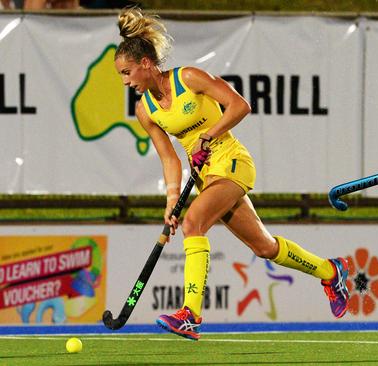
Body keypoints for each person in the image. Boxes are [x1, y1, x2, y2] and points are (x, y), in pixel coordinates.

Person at [113, 7, 350, 341]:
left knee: (194, 222)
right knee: (265, 247)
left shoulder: (188, 79)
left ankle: (190, 315)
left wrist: (209, 135)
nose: (126, 81)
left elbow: (240, 105)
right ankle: (330, 271)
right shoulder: (145, 110)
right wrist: (170, 201)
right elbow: (169, 157)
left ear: (146, 64)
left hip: (232, 160)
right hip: (205, 176)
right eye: (122, 75)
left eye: (127, 73)